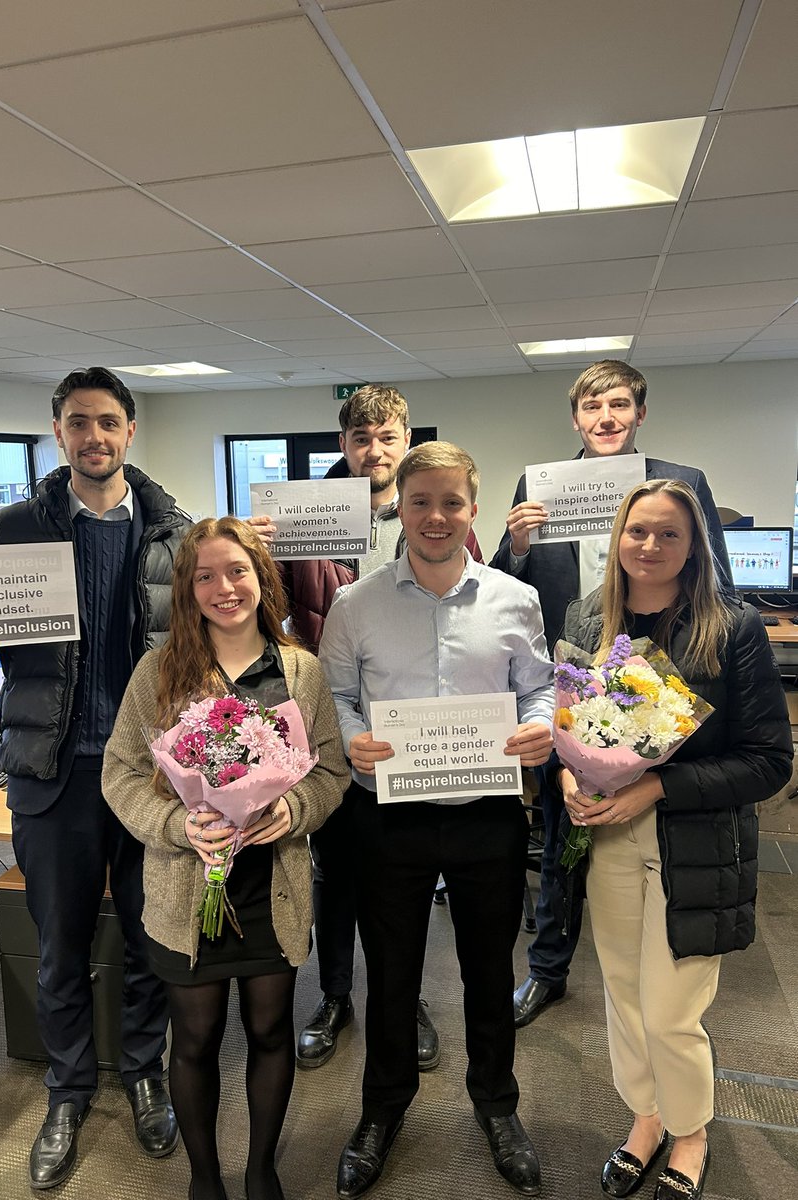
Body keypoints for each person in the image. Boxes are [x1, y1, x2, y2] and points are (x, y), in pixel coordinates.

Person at [0, 367, 189, 1189]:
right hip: (51, 772)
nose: (93, 436)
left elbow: (213, 638)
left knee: (147, 936)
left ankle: (142, 1072)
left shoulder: (177, 533)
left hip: (150, 776)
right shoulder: (8, 527)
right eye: (76, 422)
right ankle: (66, 1090)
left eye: (107, 421)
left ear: (130, 432)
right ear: (57, 432)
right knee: (59, 946)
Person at [319, 442, 554, 1198]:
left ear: (472, 509)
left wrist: (539, 730)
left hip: (487, 813)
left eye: (451, 502)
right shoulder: (356, 605)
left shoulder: (514, 600)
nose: (436, 516)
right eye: (421, 502)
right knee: (390, 977)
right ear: (401, 508)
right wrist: (352, 738)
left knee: (490, 972)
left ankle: (496, 1106)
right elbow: (334, 698)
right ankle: (382, 1111)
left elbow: (540, 691)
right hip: (389, 818)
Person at [102, 517, 349, 1200]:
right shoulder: (160, 670)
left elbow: (331, 773)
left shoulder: (301, 669)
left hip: (273, 887)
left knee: (271, 1028)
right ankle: (205, 1179)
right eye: (205, 575)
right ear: (187, 588)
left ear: (262, 577)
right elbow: (120, 773)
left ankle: (262, 1168)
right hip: (188, 889)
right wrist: (177, 824)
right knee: (196, 1036)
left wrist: (292, 812)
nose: (224, 587)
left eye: (237, 570)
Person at [558, 478, 791, 1200]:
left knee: (670, 1009)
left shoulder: (732, 627)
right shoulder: (590, 616)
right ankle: (647, 1117)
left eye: (669, 534)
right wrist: (572, 780)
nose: (650, 546)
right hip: (609, 840)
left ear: (695, 546)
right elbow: (569, 721)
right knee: (624, 996)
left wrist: (654, 787)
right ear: (616, 538)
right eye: (637, 532)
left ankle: (691, 1130)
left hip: (696, 843)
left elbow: (768, 763)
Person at [491, 360, 734, 1029]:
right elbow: (500, 590)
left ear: (640, 414)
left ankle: (664, 971)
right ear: (576, 418)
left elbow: (721, 583)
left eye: (619, 405)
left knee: (662, 835)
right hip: (571, 682)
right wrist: (514, 547)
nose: (605, 418)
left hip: (661, 681)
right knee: (568, 825)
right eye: (593, 407)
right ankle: (548, 969)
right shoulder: (539, 488)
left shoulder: (683, 485)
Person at [265, 386, 482, 1072]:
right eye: (362, 439)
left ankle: (406, 996)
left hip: (420, 728)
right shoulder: (304, 519)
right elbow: (263, 608)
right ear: (344, 445)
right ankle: (334, 997)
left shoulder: (436, 513)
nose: (375, 450)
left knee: (405, 875)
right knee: (335, 871)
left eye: (387, 437)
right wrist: (260, 548)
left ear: (407, 438)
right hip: (332, 719)